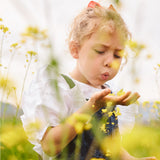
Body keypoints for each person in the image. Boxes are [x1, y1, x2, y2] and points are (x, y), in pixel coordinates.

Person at [21, 1, 157, 160]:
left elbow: (110, 147)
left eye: (117, 55)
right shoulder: (61, 87)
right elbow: (49, 146)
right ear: (75, 49)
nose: (109, 62)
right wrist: (91, 108)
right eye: (100, 51)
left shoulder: (109, 93)